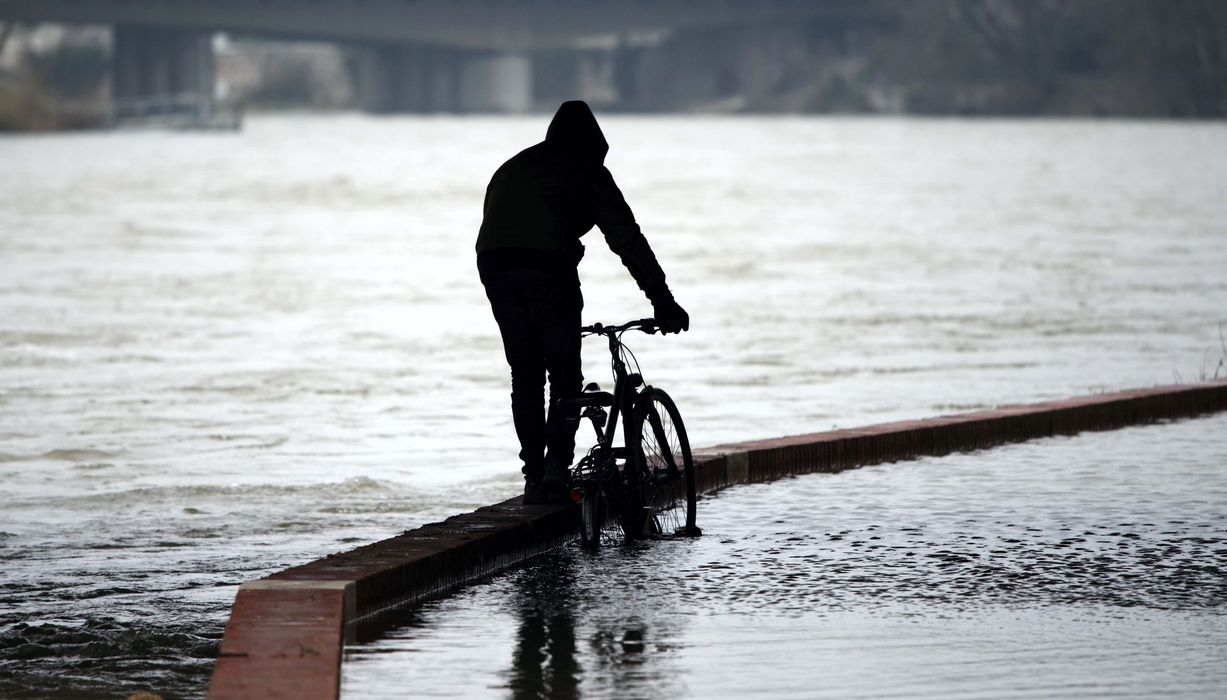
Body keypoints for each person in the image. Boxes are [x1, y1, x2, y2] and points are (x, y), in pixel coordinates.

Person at [477, 100, 689, 505]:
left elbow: (499, 222)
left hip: (494, 263)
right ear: (595, 145)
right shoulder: (589, 172)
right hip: (546, 264)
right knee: (563, 374)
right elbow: (628, 240)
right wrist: (664, 303)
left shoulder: (515, 166)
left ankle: (533, 479)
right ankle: (557, 471)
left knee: (525, 374)